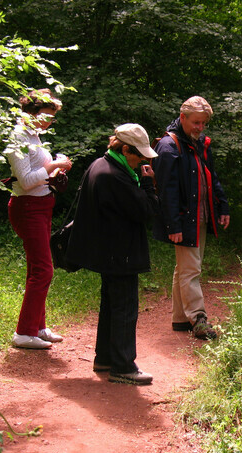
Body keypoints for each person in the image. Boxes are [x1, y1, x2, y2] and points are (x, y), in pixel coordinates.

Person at [65, 124, 158, 385]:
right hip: (121, 253)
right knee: (125, 308)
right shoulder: (115, 176)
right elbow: (147, 211)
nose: (142, 161)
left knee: (111, 306)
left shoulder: (100, 165)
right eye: (139, 156)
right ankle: (123, 366)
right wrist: (149, 184)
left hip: (110, 251)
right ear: (125, 148)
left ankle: (105, 358)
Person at [152, 96, 230, 340]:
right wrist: (173, 224)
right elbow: (167, 190)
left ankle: (179, 318)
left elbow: (211, 176)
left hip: (201, 216)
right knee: (191, 269)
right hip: (184, 220)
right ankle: (198, 318)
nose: (200, 127)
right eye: (196, 122)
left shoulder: (197, 143)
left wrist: (222, 206)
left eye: (203, 123)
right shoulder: (168, 146)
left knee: (185, 268)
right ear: (182, 117)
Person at [6, 88, 73, 350]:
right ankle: (23, 333)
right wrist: (54, 166)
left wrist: (55, 167)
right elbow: (25, 181)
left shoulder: (33, 135)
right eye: (46, 115)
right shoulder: (18, 137)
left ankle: (38, 327)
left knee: (37, 269)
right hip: (27, 208)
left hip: (43, 206)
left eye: (52, 118)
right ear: (31, 112)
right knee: (44, 269)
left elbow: (38, 175)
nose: (49, 122)